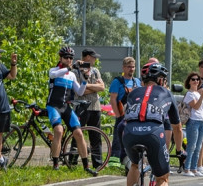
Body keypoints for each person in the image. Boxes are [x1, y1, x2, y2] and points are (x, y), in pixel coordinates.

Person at [122, 62, 182, 186]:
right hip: (154, 134)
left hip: (130, 133)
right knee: (163, 177)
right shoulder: (167, 93)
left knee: (134, 165)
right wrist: (179, 152)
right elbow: (176, 128)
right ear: (161, 80)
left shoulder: (133, 93)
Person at [47, 45, 98, 175]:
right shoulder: (55, 70)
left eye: (71, 58)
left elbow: (80, 92)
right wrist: (68, 68)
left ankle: (86, 166)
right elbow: (54, 74)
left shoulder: (71, 75)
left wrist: (85, 80)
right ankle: (55, 164)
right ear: (61, 58)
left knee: (79, 134)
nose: (69, 59)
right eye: (66, 57)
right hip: (53, 106)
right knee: (59, 130)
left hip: (65, 107)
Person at [74, 49, 107, 168]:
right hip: (81, 106)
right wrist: (95, 87)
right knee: (77, 133)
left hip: (95, 107)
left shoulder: (95, 71)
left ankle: (97, 163)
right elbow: (78, 91)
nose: (95, 59)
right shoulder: (76, 70)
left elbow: (102, 87)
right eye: (93, 57)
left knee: (96, 137)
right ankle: (72, 160)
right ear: (87, 57)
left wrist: (86, 86)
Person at [108, 57, 141, 167]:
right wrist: (118, 115)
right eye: (129, 67)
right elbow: (113, 99)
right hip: (122, 115)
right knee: (118, 138)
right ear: (123, 68)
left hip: (135, 116)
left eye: (133, 67)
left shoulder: (137, 82)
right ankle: (114, 160)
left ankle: (131, 159)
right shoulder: (117, 81)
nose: (131, 69)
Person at [181, 71, 203, 176]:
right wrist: (202, 96)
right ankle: (186, 169)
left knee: (198, 146)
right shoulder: (189, 94)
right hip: (193, 121)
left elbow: (201, 110)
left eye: (197, 79)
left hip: (201, 121)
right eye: (193, 79)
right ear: (189, 81)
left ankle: (194, 168)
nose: (196, 81)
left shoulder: (197, 93)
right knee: (191, 146)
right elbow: (195, 107)